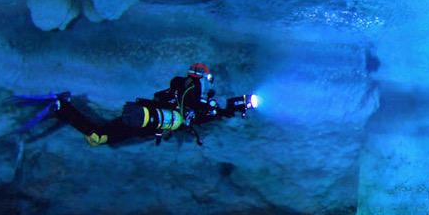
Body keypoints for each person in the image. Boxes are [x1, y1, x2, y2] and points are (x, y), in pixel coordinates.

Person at [15, 62, 257, 147]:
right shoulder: (192, 92)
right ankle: (62, 107)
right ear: (202, 76)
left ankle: (63, 108)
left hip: (146, 114)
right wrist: (218, 111)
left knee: (100, 137)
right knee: (98, 138)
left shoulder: (180, 84)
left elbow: (163, 96)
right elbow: (194, 112)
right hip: (145, 123)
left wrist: (212, 109)